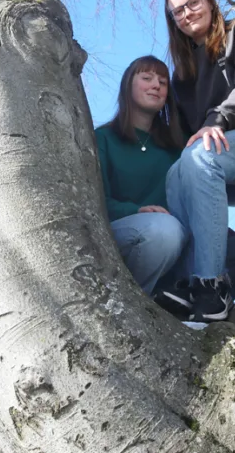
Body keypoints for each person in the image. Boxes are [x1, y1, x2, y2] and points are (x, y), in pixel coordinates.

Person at [156, 0, 235, 322]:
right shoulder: (184, 74)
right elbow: (186, 133)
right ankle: (187, 279)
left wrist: (217, 120)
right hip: (224, 163)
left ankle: (213, 285)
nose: (187, 13)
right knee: (178, 169)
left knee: (200, 155)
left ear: (209, 1)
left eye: (192, 3)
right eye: (177, 11)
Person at [95, 55, 187, 296]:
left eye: (163, 82)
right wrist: (134, 211)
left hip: (173, 240)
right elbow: (95, 202)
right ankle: (135, 305)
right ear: (128, 86)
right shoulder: (102, 139)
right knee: (161, 231)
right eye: (147, 78)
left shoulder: (176, 148)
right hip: (121, 235)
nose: (156, 85)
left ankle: (177, 303)